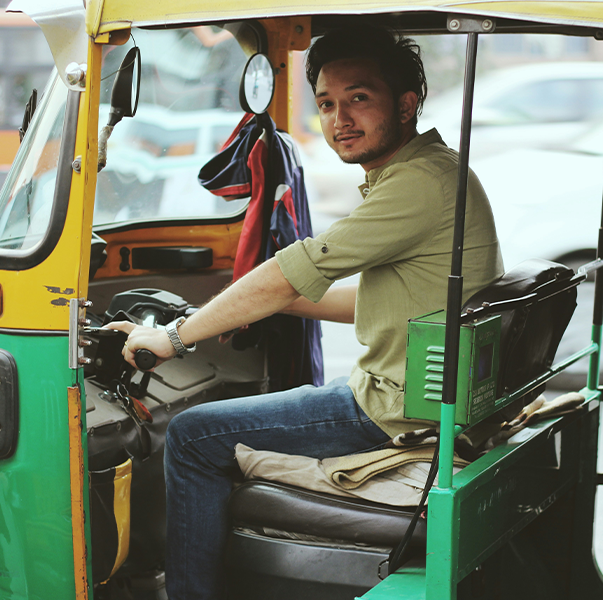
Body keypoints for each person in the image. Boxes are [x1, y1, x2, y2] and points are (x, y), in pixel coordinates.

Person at [108, 25, 504, 600]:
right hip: (407, 394)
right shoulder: (427, 172)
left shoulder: (417, 184)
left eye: (359, 99)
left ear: (407, 103)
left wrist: (175, 336)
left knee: (192, 434)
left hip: (388, 411)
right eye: (326, 104)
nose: (340, 118)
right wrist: (221, 311)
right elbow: (356, 299)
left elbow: (291, 269)